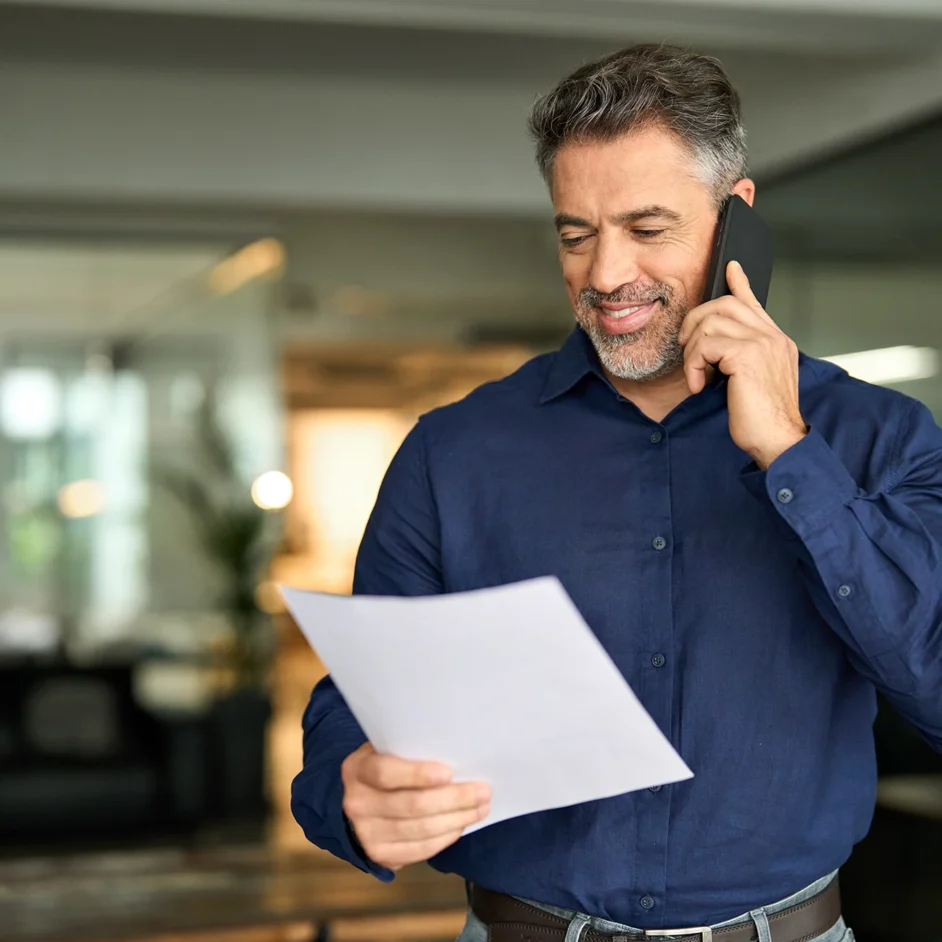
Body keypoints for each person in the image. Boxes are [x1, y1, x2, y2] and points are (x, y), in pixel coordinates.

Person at [292, 43, 942, 942]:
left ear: (735, 220)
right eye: (576, 233)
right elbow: (361, 700)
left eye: (647, 229)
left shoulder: (881, 439)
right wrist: (348, 790)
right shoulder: (454, 452)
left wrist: (791, 456)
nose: (603, 275)